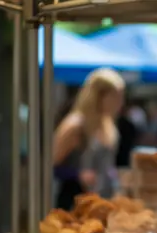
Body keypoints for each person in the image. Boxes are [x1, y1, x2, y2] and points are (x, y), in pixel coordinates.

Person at [53, 68, 125, 206]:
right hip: (75, 202)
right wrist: (77, 175)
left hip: (102, 200)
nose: (120, 102)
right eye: (116, 96)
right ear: (99, 96)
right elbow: (51, 166)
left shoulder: (107, 124)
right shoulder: (76, 125)